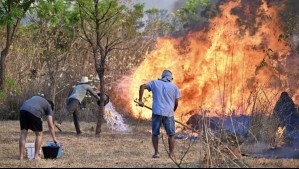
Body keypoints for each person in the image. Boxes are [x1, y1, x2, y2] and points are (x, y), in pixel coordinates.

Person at [138, 70, 181, 159]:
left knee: (155, 133)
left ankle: (156, 153)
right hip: (169, 113)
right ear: (170, 78)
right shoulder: (174, 87)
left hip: (157, 112)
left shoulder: (155, 83)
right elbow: (176, 102)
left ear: (162, 77)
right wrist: (172, 110)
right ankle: (171, 154)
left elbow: (142, 86)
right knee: (171, 134)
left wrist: (140, 100)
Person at [19, 95, 60, 160]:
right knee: (39, 135)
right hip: (34, 111)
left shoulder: (37, 98)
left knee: (23, 133)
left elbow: (29, 111)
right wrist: (54, 139)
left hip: (23, 109)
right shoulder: (49, 106)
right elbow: (51, 125)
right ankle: (36, 156)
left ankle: (21, 156)